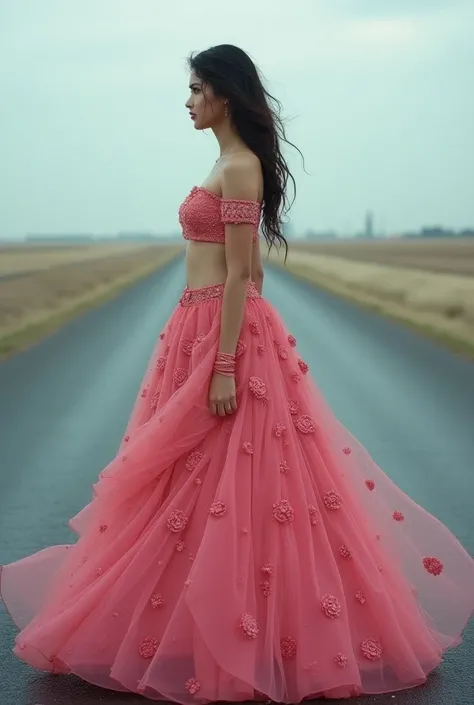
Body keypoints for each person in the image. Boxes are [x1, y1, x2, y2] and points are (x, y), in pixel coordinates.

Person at [1, 44, 473, 703]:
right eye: (189, 88)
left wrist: (225, 364)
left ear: (225, 92)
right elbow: (246, 266)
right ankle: (193, 622)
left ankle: (249, 637)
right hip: (194, 331)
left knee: (235, 485)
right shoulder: (223, 162)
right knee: (184, 485)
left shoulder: (241, 167)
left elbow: (240, 281)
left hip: (224, 341)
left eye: (197, 88)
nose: (188, 100)